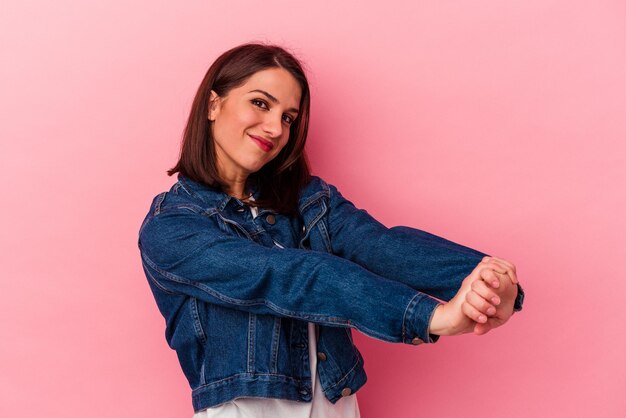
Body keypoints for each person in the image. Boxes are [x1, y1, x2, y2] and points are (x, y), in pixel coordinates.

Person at [137, 42, 524, 417]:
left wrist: (485, 277)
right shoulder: (171, 228)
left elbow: (379, 246)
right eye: (260, 103)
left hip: (336, 406)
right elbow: (287, 276)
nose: (275, 128)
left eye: (288, 117)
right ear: (213, 103)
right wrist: (430, 317)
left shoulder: (308, 199)